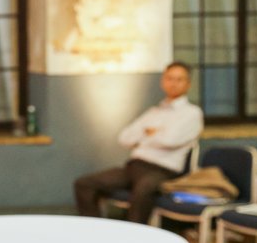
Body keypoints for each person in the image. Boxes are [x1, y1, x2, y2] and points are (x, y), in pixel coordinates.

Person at [74, 61, 204, 223]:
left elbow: (170, 140)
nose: (173, 83)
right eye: (170, 78)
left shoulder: (192, 113)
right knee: (84, 184)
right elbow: (125, 138)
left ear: (188, 84)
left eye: (179, 79)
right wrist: (156, 132)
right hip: (134, 167)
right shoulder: (154, 112)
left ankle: (134, 235)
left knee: (143, 189)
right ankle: (95, 231)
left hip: (163, 171)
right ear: (163, 81)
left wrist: (147, 133)